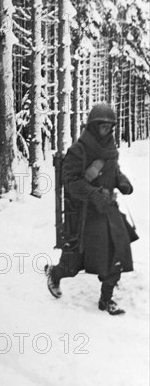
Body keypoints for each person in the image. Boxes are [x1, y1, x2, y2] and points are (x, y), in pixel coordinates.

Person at [45, 103, 137, 315]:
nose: (108, 130)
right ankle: (55, 274)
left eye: (110, 127)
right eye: (103, 126)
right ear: (94, 126)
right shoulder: (79, 150)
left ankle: (106, 299)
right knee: (75, 262)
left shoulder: (111, 149)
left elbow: (115, 171)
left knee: (117, 251)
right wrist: (94, 194)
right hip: (84, 214)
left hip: (107, 211)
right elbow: (71, 182)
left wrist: (122, 181)